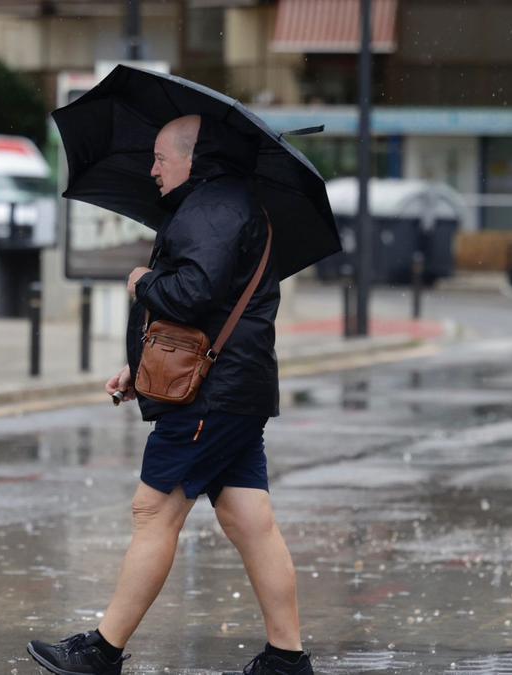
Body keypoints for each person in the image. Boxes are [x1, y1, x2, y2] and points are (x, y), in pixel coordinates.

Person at [26, 115, 314, 675]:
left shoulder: (212, 209)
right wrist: (141, 368)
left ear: (193, 159)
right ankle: (286, 658)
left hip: (209, 399)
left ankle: (101, 651)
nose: (152, 169)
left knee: (153, 511)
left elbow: (193, 292)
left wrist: (141, 281)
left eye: (161, 158)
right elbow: (212, 306)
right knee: (249, 520)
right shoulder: (226, 204)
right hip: (230, 389)